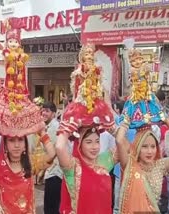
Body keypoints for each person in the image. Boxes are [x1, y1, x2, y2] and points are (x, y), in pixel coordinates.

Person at [0, 18, 55, 213]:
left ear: (25, 143)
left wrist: (41, 130)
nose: (16, 145)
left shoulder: (31, 164)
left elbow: (52, 153)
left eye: (20, 140)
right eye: (11, 140)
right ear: (4, 143)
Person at [56, 43, 116, 213]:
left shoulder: (104, 162)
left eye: (97, 141)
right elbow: (60, 146)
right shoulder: (73, 167)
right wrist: (69, 124)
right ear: (79, 144)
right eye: (89, 142)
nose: (95, 146)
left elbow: (123, 146)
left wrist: (111, 125)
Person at [116, 117, 169, 213]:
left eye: (153, 146)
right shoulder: (130, 165)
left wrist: (168, 123)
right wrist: (126, 121)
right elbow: (120, 141)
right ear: (137, 147)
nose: (149, 151)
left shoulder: (160, 165)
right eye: (144, 146)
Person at [41, 101, 61, 214]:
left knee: (51, 208)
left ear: (54, 114)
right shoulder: (49, 126)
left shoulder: (54, 127)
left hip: (55, 172)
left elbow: (51, 153)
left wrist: (41, 168)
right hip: (52, 172)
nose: (44, 113)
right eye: (43, 110)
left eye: (47, 111)